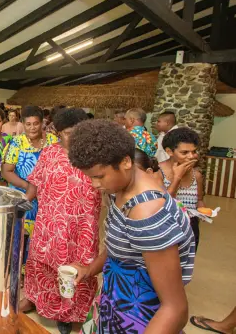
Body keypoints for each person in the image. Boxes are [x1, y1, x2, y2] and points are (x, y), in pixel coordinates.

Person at [68, 119, 195, 334]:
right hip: (116, 302)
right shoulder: (123, 187)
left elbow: (175, 308)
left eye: (99, 176)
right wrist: (90, 269)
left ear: (126, 162)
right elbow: (121, 243)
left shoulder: (146, 213)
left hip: (139, 317)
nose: (94, 184)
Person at [22, 109, 100, 334]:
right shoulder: (49, 153)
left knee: (76, 269)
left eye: (78, 131)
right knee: (44, 264)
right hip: (50, 223)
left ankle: (68, 313)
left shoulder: (94, 155)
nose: (74, 136)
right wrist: (20, 203)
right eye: (68, 132)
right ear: (57, 132)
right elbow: (34, 184)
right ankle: (36, 299)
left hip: (81, 227)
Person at [2, 106, 59, 267]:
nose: (32, 128)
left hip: (47, 199)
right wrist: (30, 186)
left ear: (42, 123)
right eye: (28, 124)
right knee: (20, 237)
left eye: (36, 123)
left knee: (43, 237)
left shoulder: (53, 142)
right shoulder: (17, 143)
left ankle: (37, 272)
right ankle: (18, 271)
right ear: (23, 124)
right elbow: (7, 171)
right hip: (23, 197)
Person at [156, 127, 204, 251]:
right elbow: (162, 205)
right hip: (165, 227)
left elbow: (199, 200)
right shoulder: (158, 172)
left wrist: (202, 210)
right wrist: (177, 177)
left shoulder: (196, 175)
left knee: (185, 266)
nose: (192, 156)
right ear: (169, 151)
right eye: (184, 153)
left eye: (194, 151)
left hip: (190, 228)